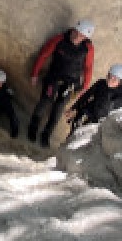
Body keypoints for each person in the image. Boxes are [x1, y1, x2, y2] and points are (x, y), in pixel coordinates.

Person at [28, 19, 95, 147]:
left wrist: (85, 86)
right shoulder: (59, 40)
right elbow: (43, 55)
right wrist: (34, 74)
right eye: (77, 32)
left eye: (82, 36)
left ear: (86, 37)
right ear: (73, 29)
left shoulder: (88, 48)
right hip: (54, 77)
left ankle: (46, 134)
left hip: (71, 83)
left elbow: (88, 67)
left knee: (58, 108)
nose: (77, 37)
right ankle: (33, 127)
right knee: (45, 101)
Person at [68, 64, 122, 130]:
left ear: (120, 82)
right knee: (74, 131)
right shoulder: (101, 83)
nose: (110, 80)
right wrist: (74, 108)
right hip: (88, 112)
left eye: (114, 79)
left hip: (99, 123)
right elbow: (86, 96)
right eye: (109, 76)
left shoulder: (120, 96)